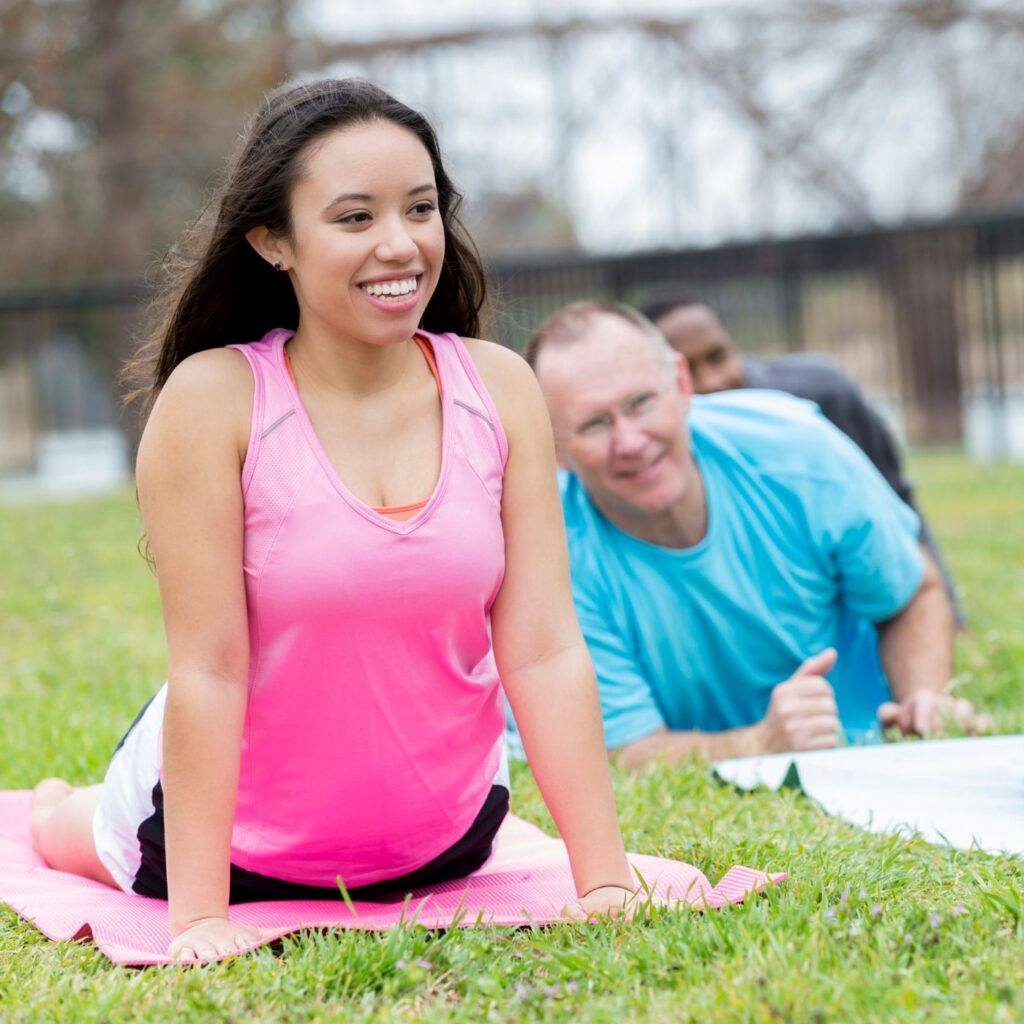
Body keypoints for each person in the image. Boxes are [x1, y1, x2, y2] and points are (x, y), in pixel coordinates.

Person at [28, 79, 644, 963]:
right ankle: (61, 806)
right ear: (272, 238)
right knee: (74, 832)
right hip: (229, 848)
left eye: (421, 208)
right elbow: (208, 667)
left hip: (439, 842)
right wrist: (200, 918)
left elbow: (543, 646)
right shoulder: (216, 400)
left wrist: (606, 879)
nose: (401, 245)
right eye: (354, 218)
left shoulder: (501, 386)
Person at [519, 300, 984, 768]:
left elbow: (911, 589)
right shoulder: (550, 554)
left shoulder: (799, 450)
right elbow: (625, 747)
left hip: (865, 747)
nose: (631, 442)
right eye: (596, 424)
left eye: (641, 403)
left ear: (681, 386)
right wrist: (760, 743)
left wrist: (924, 698)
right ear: (554, 447)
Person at [637, 288, 964, 626]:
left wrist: (950, 614)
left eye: (718, 356)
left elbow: (897, 501)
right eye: (687, 370)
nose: (712, 380)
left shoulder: (824, 392)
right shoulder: (658, 448)